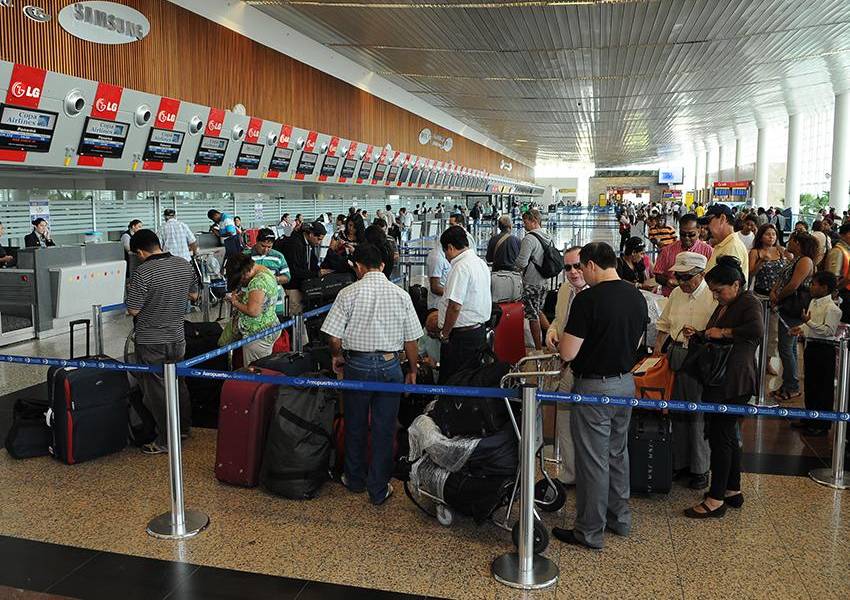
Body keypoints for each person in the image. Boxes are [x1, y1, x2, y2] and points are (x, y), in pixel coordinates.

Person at [553, 242, 648, 549]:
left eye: (581, 267)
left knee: (593, 461)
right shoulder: (636, 295)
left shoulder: (588, 300)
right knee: (617, 454)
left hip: (594, 388)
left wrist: (559, 345)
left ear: (592, 265)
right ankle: (619, 519)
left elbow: (568, 351)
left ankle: (589, 531)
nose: (579, 272)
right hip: (625, 383)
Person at [321, 243, 422, 506]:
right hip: (390, 367)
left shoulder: (348, 293)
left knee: (354, 423)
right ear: (383, 266)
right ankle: (378, 489)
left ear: (359, 267)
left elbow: (333, 337)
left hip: (358, 366)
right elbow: (412, 340)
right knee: (384, 428)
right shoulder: (400, 294)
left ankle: (354, 479)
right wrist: (412, 369)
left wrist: (337, 356)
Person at [684, 256, 763, 519]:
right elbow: (714, 331)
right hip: (723, 378)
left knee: (721, 438)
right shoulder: (729, 303)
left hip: (733, 380)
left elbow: (756, 330)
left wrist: (724, 333)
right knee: (727, 436)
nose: (716, 296)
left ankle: (715, 498)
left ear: (736, 284)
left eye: (719, 290)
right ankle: (731, 489)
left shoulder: (748, 302)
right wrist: (701, 333)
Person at [125, 229, 198, 455]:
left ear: (140, 252)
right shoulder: (183, 264)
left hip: (151, 341)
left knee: (156, 392)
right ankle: (184, 428)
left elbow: (133, 309)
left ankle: (167, 440)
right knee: (178, 384)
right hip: (177, 336)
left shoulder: (143, 272)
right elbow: (194, 296)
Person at [654, 252, 716, 490]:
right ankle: (679, 463)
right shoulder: (677, 294)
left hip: (701, 357)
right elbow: (663, 325)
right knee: (676, 412)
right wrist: (657, 354)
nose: (682, 282)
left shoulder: (712, 295)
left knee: (697, 414)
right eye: (679, 276)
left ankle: (700, 468)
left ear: (701, 274)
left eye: (687, 277)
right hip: (676, 354)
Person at [544, 246, 588, 487]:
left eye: (577, 266)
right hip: (563, 365)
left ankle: (582, 472)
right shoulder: (564, 290)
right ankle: (570, 471)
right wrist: (552, 332)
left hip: (585, 366)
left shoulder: (595, 294)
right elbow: (558, 320)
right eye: (568, 267)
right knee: (564, 417)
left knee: (583, 421)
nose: (572, 272)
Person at [436, 226, 492, 384]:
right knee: (471, 380)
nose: (446, 257)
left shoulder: (460, 267)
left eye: (445, 252)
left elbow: (455, 306)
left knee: (454, 381)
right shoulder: (480, 263)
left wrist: (445, 335)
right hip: (478, 331)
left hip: (461, 337)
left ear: (451, 248)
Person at [788, 271, 841, 436]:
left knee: (822, 387)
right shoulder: (813, 302)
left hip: (824, 350)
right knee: (810, 385)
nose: (811, 287)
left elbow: (827, 330)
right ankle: (809, 417)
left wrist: (808, 322)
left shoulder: (832, 309)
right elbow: (810, 325)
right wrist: (801, 329)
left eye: (814, 284)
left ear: (824, 288)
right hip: (811, 347)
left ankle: (821, 424)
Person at [770, 232, 817, 403]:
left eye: (791, 240)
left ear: (797, 243)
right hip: (788, 308)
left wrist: (778, 296)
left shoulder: (805, 261)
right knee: (788, 349)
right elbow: (784, 279)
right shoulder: (796, 259)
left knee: (786, 348)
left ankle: (792, 386)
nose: (788, 243)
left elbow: (794, 285)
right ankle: (789, 383)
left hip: (794, 309)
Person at [223, 253, 281, 365]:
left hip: (257, 335)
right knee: (264, 366)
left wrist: (235, 302)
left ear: (244, 272)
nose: (242, 282)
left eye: (241, 279)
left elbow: (253, 311)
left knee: (255, 371)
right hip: (269, 326)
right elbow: (263, 300)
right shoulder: (264, 271)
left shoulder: (257, 282)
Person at [749, 224, 786, 375]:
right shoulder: (755, 252)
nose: (771, 237)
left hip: (776, 298)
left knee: (773, 334)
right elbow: (750, 274)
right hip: (760, 296)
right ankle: (752, 360)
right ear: (761, 236)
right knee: (757, 331)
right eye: (767, 234)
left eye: (773, 234)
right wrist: (761, 262)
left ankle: (767, 362)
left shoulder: (781, 251)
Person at [514, 209, 552, 350]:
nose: (524, 225)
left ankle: (538, 349)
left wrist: (515, 263)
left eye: (526, 222)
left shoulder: (529, 238)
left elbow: (522, 262)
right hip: (544, 282)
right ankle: (553, 336)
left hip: (532, 282)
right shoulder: (547, 235)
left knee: (532, 316)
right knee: (539, 310)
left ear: (534, 221)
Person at [653, 214, 713, 297]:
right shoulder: (667, 251)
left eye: (691, 234)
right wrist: (667, 281)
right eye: (683, 234)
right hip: (671, 297)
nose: (686, 238)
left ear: (699, 231)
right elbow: (658, 275)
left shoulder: (708, 251)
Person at [276, 221, 327, 315]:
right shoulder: (294, 244)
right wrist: (316, 274)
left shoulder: (307, 243)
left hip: (300, 284)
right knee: (295, 314)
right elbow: (294, 270)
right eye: (318, 239)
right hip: (292, 286)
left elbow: (312, 262)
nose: (319, 243)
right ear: (311, 234)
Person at [243, 228, 290, 316]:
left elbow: (287, 277)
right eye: (263, 246)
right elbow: (238, 278)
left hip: (275, 305)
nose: (266, 250)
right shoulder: (245, 256)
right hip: (251, 305)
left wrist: (273, 278)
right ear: (256, 241)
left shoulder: (278, 256)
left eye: (269, 247)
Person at [699, 204, 749, 281]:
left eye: (709, 221)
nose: (707, 226)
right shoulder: (724, 244)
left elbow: (728, 287)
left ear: (722, 219)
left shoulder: (732, 247)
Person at [824, 223, 850, 322]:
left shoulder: (847, 250)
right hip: (842, 295)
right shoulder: (838, 251)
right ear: (842, 235)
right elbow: (832, 277)